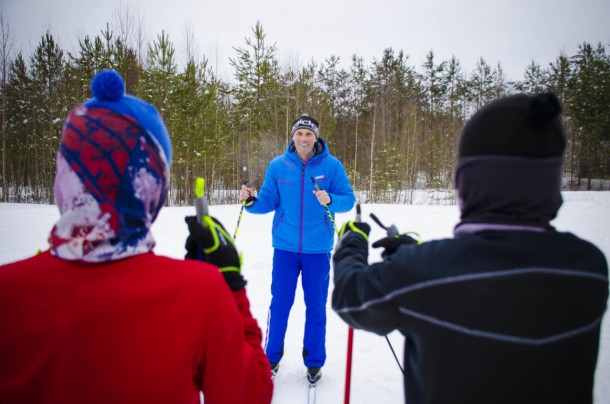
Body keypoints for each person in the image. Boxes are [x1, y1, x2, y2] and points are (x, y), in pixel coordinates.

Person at [0, 70, 273, 404]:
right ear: (151, 185)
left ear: (65, 177)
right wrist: (231, 286)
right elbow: (249, 394)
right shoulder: (200, 292)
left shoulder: (9, 294)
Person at [332, 93, 609, 403]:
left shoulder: (421, 274)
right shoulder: (589, 268)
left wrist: (353, 241)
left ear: (467, 183)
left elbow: (349, 296)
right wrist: (415, 255)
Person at [240, 114, 355, 384]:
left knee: (315, 306)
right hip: (285, 248)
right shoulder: (279, 166)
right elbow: (267, 201)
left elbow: (348, 200)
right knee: (279, 304)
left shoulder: (332, 166)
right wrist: (250, 201)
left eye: (309, 134)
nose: (304, 139)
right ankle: (271, 358)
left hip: (318, 250)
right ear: (293, 137)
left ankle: (314, 362)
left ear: (316, 138)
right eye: (300, 134)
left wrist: (331, 199)